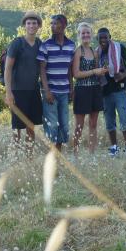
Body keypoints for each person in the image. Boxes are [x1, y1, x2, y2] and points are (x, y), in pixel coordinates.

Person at [4, 11, 43, 156]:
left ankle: (29, 156)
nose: (32, 26)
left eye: (34, 23)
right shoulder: (17, 43)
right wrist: (9, 92)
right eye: (29, 23)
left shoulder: (40, 43)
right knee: (16, 126)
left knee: (31, 126)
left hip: (33, 90)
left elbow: (42, 67)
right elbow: (8, 69)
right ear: (24, 26)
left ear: (38, 26)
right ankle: (14, 155)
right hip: (17, 91)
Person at [37, 14, 75, 152]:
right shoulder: (45, 45)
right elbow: (42, 69)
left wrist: (72, 88)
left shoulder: (71, 45)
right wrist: (46, 91)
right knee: (52, 125)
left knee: (64, 125)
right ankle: (51, 155)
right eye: (51, 24)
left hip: (64, 92)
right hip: (50, 92)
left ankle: (58, 154)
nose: (52, 26)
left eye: (56, 23)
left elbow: (69, 70)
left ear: (64, 26)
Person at [96, 27, 126, 158]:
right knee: (109, 120)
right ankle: (114, 148)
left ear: (110, 37)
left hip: (120, 89)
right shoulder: (96, 53)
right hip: (105, 91)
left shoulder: (119, 48)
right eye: (100, 38)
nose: (103, 40)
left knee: (124, 118)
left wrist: (122, 74)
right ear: (97, 39)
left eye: (105, 37)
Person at [72, 23, 108, 156]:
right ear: (79, 35)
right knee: (79, 126)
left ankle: (92, 154)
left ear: (91, 35)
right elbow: (76, 74)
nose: (86, 35)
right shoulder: (78, 52)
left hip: (95, 90)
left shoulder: (94, 52)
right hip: (81, 91)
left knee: (93, 124)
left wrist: (102, 71)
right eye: (83, 33)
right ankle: (76, 153)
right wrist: (94, 71)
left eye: (88, 33)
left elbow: (98, 72)